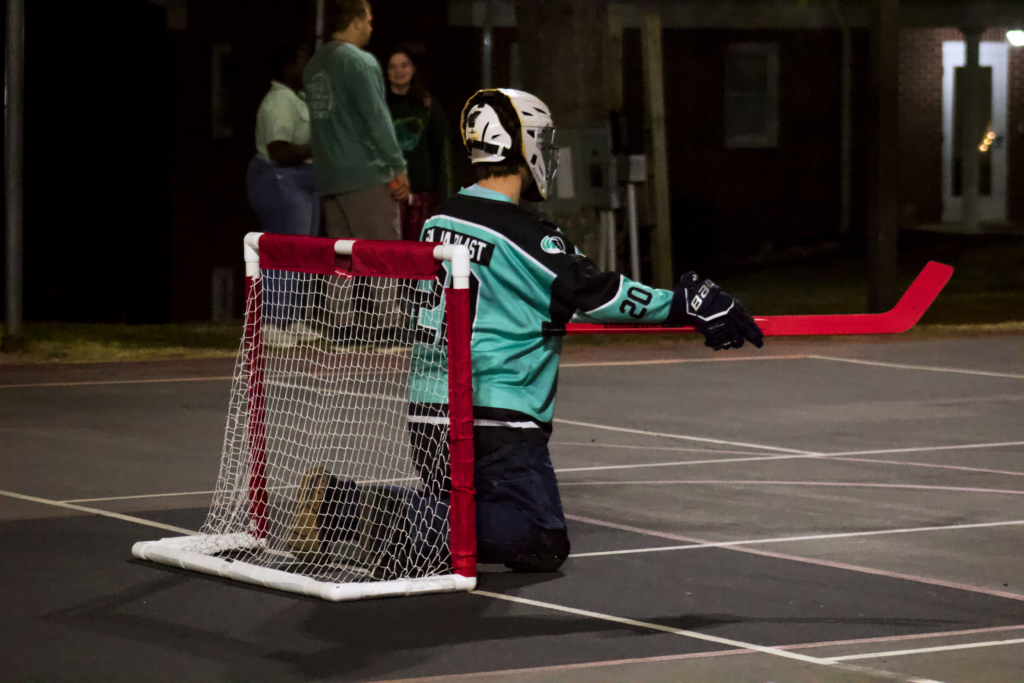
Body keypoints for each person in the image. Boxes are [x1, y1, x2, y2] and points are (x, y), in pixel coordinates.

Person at [407, 89, 765, 572]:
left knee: (467, 528)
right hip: (495, 418)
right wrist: (686, 303)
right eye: (541, 140)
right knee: (540, 539)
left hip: (426, 413)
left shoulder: (438, 221)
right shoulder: (524, 233)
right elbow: (598, 294)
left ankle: (381, 517)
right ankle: (388, 515)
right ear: (520, 144)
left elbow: (523, 297)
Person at [304, 0, 409, 241]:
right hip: (366, 179)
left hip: (329, 181)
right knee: (381, 259)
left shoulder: (313, 65)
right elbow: (377, 120)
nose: (371, 28)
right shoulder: (359, 61)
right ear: (356, 21)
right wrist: (398, 167)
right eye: (369, 22)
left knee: (342, 259)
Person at [246, 41, 320, 347]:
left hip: (303, 179)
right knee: (283, 248)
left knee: (303, 249)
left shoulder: (297, 98)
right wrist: (319, 147)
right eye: (304, 61)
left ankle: (291, 318)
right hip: (280, 179)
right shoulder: (278, 101)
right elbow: (279, 151)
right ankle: (271, 320)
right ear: (288, 66)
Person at [385, 46, 452, 240]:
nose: (398, 71)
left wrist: (444, 196)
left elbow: (440, 153)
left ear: (413, 68)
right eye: (392, 67)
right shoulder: (379, 107)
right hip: (388, 194)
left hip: (421, 195)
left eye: (404, 65)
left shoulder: (428, 106)